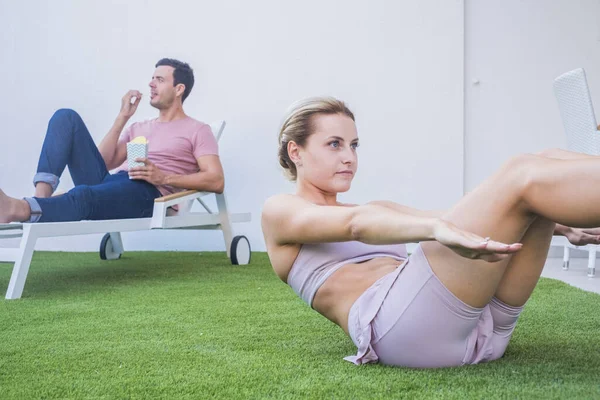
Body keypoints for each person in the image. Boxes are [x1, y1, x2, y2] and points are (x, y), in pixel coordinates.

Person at [261, 96, 600, 368]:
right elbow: (357, 226)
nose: (349, 157)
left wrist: (559, 226)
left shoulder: (377, 207)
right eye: (334, 144)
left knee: (544, 159)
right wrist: (435, 230)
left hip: (482, 326)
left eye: (354, 145)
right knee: (520, 172)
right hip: (406, 334)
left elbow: (456, 217)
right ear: (296, 152)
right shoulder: (280, 211)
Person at [0, 58, 224, 224]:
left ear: (179, 89)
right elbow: (104, 163)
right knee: (65, 117)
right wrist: (122, 117)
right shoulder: (138, 126)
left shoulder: (198, 130)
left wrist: (163, 177)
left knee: (83, 195)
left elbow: (216, 180)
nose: (151, 84)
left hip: (148, 193)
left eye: (160, 79)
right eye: (152, 78)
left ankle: (17, 208)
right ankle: (42, 200)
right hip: (114, 181)